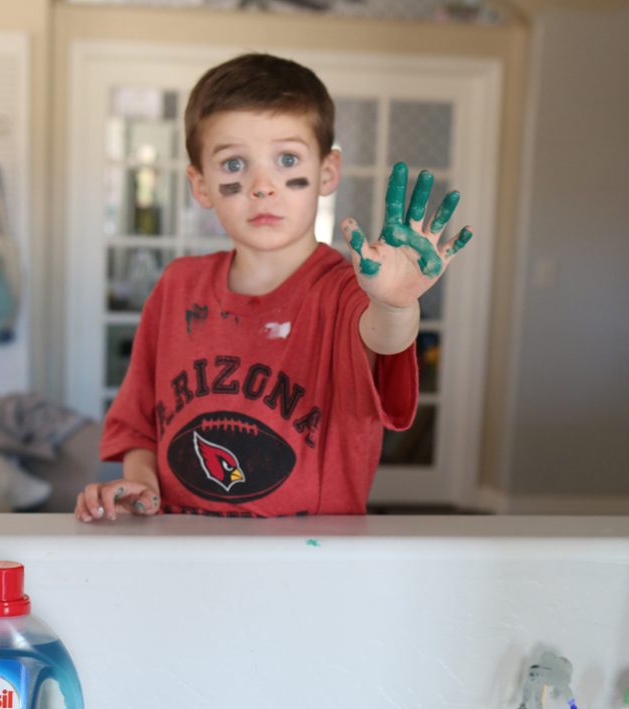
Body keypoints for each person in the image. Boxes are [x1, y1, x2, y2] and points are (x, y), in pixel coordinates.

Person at [75, 52, 471, 521]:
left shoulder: (346, 290)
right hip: (182, 556)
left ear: (327, 172)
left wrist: (394, 304)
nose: (262, 185)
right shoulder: (178, 288)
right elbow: (140, 428)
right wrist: (139, 485)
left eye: (287, 159)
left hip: (312, 565)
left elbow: (384, 334)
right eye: (234, 164)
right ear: (200, 184)